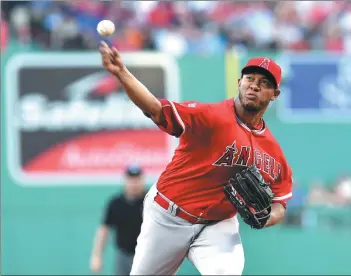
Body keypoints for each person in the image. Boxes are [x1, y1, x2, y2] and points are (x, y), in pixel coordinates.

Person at [99, 41, 293, 275]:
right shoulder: (211, 116)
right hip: (168, 215)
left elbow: (280, 203)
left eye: (264, 83)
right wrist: (122, 73)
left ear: (275, 94)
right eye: (250, 79)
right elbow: (156, 109)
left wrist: (266, 218)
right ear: (239, 82)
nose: (254, 86)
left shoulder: (273, 152)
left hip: (217, 225)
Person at [90, 165, 146, 276]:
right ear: (125, 180)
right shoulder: (116, 204)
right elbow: (104, 230)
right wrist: (96, 256)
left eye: (137, 179)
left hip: (147, 256)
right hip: (123, 256)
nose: (134, 183)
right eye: (131, 179)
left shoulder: (151, 202)